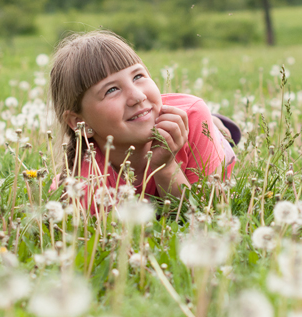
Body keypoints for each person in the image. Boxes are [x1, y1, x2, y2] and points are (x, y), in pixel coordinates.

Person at [48, 31, 235, 212]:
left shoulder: (193, 116)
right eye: (112, 90)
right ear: (80, 122)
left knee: (217, 136)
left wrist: (167, 169)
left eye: (138, 76)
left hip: (198, 132)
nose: (137, 96)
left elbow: (207, 213)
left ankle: (218, 126)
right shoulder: (82, 187)